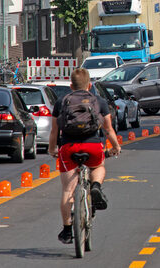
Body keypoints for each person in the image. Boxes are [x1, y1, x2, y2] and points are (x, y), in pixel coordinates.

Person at [48, 68, 121, 244]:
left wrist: (52, 149)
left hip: (68, 148)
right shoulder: (99, 101)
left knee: (67, 190)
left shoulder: (61, 102)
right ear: (90, 85)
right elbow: (108, 129)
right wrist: (116, 146)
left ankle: (66, 230)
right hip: (93, 146)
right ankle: (95, 186)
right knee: (98, 166)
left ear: (71, 85)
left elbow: (54, 131)